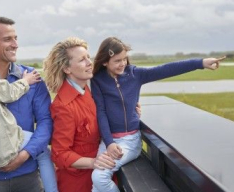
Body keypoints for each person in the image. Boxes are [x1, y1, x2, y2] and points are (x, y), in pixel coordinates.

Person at [90, 37, 226, 192]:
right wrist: (109, 143)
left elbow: (166, 69)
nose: (122, 64)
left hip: (129, 141)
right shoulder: (97, 80)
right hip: (109, 142)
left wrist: (200, 63)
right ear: (104, 62)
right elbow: (100, 112)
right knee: (96, 186)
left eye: (124, 59)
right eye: (117, 60)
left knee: (99, 177)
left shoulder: (135, 74)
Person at [0, 17, 56, 192]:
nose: (15, 44)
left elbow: (45, 122)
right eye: (7, 39)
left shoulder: (32, 79)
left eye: (15, 38)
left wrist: (24, 155)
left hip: (27, 178)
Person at [43, 37, 117, 192]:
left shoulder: (90, 90)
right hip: (78, 183)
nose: (89, 63)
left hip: (102, 175)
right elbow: (60, 154)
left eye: (88, 57)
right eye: (82, 60)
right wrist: (94, 162)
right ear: (67, 69)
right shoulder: (63, 106)